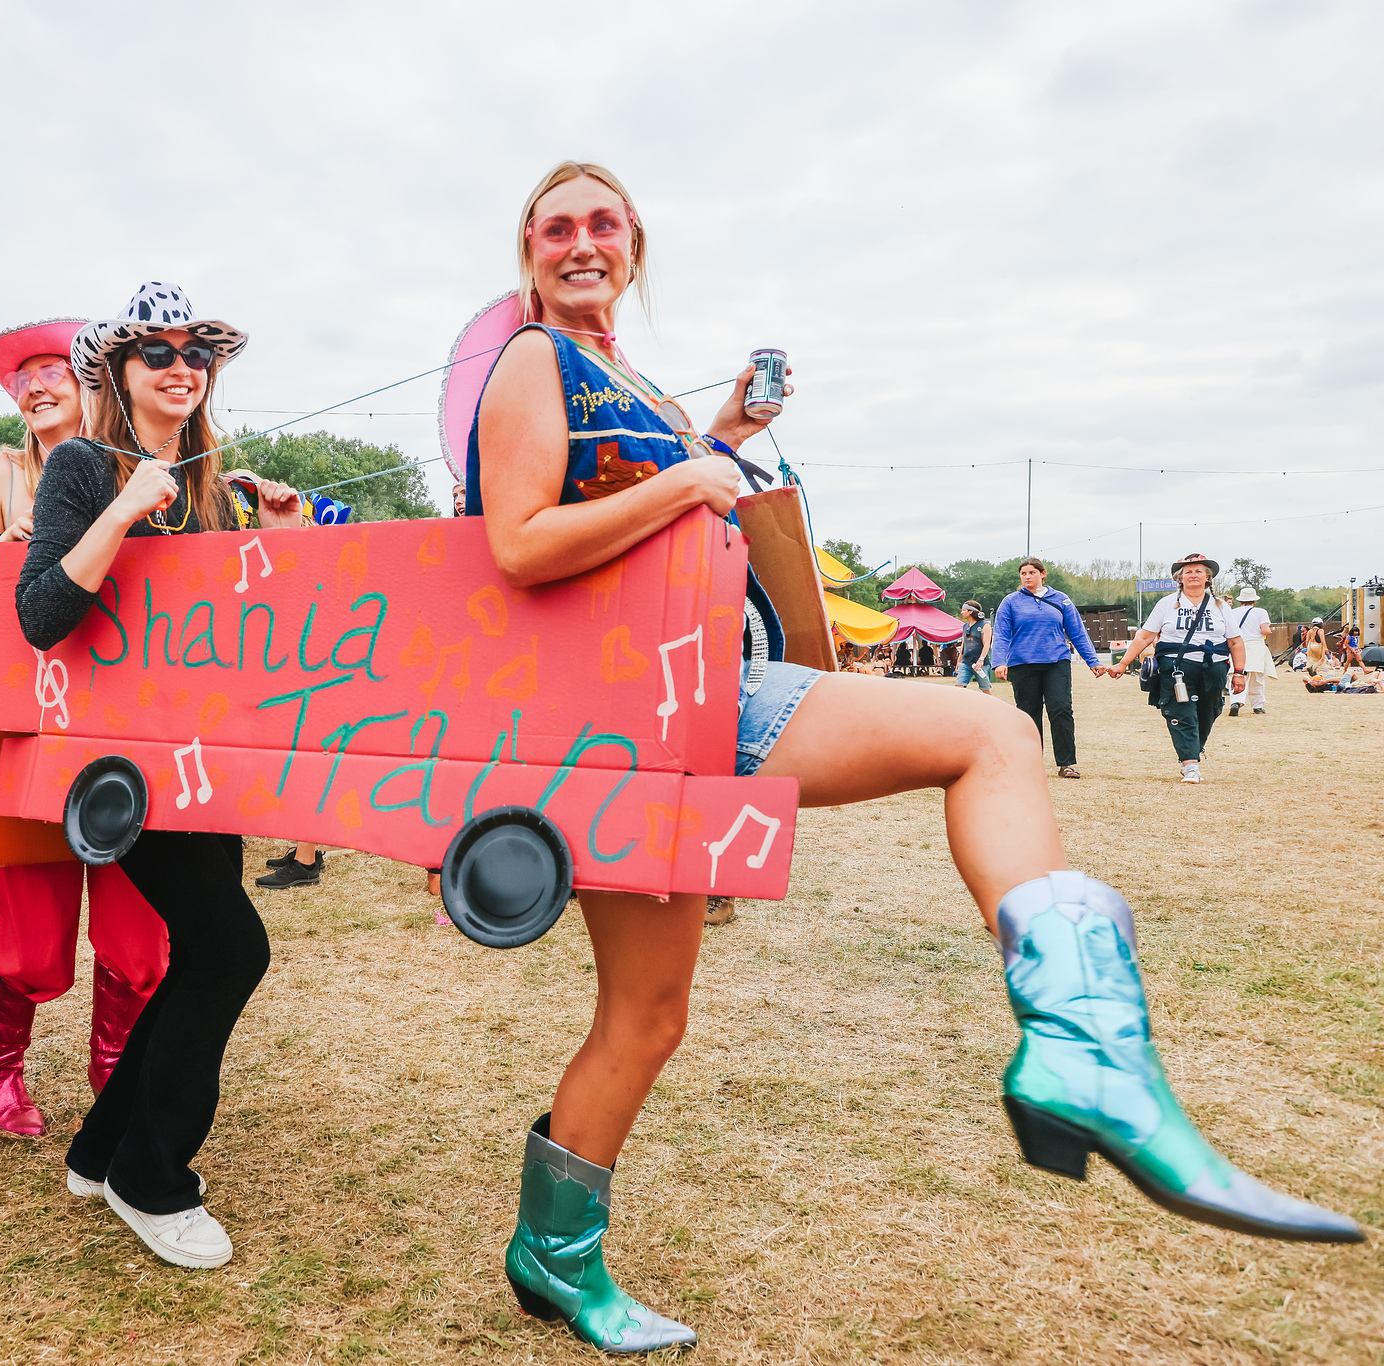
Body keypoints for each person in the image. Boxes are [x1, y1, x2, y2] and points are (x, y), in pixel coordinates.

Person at [468, 161, 1358, 1354]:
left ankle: (551, 1253)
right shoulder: (531, 359)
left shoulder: (630, 378)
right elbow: (519, 542)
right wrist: (690, 472)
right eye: (555, 227)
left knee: (648, 1016)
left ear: (634, 245)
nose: (581, 243)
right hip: (635, 704)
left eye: (603, 224)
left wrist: (720, 435)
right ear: (527, 248)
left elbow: (648, 499)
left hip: (688, 699)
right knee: (986, 733)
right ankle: (1086, 1055)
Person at [19, 282, 301, 1270]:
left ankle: (102, 1152)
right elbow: (40, 615)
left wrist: (276, 542)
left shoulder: (212, 483)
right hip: (119, 769)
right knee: (231, 949)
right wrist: (123, 509)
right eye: (158, 352)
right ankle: (151, 1176)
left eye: (196, 354)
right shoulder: (81, 466)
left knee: (203, 950)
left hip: (204, 760)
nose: (181, 367)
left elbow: (240, 631)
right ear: (118, 370)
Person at [0, 317, 174, 1131]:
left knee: (135, 912)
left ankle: (115, 1063)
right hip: (28, 718)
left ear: (94, 381)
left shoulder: (141, 469)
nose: (37, 387)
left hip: (125, 720)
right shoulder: (0, 472)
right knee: (32, 915)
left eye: (53, 371)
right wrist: (12, 548)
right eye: (23, 379)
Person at [1109, 554, 1244, 784]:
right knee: (1181, 712)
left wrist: (1239, 672)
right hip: (1176, 667)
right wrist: (1123, 663)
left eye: (1199, 571)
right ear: (1179, 578)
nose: (1193, 575)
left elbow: (1235, 642)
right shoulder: (1166, 604)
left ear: (1208, 578)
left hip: (1213, 667)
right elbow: (1145, 636)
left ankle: (1192, 749)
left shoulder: (1220, 606)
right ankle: (1190, 765)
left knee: (1209, 710)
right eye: (1187, 572)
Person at [992, 558, 1104, 779]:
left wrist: (1093, 661)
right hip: (1022, 663)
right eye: (1023, 573)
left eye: (1032, 572)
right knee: (1028, 713)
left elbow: (1077, 632)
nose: (1027, 577)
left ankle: (1066, 764)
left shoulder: (1061, 599)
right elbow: (1001, 633)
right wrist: (999, 661)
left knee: (1061, 709)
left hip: (1056, 661)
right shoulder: (1011, 602)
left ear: (1043, 574)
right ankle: (1030, 764)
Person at [1231, 585, 1272, 716]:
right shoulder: (1261, 612)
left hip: (1238, 645)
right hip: (1255, 646)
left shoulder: (1232, 612)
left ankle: (1236, 702)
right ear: (1254, 600)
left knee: (1238, 675)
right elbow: (1265, 630)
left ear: (1240, 600)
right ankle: (1257, 706)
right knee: (1257, 677)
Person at [955, 601, 992, 692]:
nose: (961, 612)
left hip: (980, 664)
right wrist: (959, 661)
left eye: (964, 610)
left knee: (985, 689)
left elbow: (987, 644)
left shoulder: (985, 625)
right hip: (966, 662)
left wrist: (981, 659)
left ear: (970, 611)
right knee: (959, 687)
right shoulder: (965, 626)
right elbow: (964, 644)